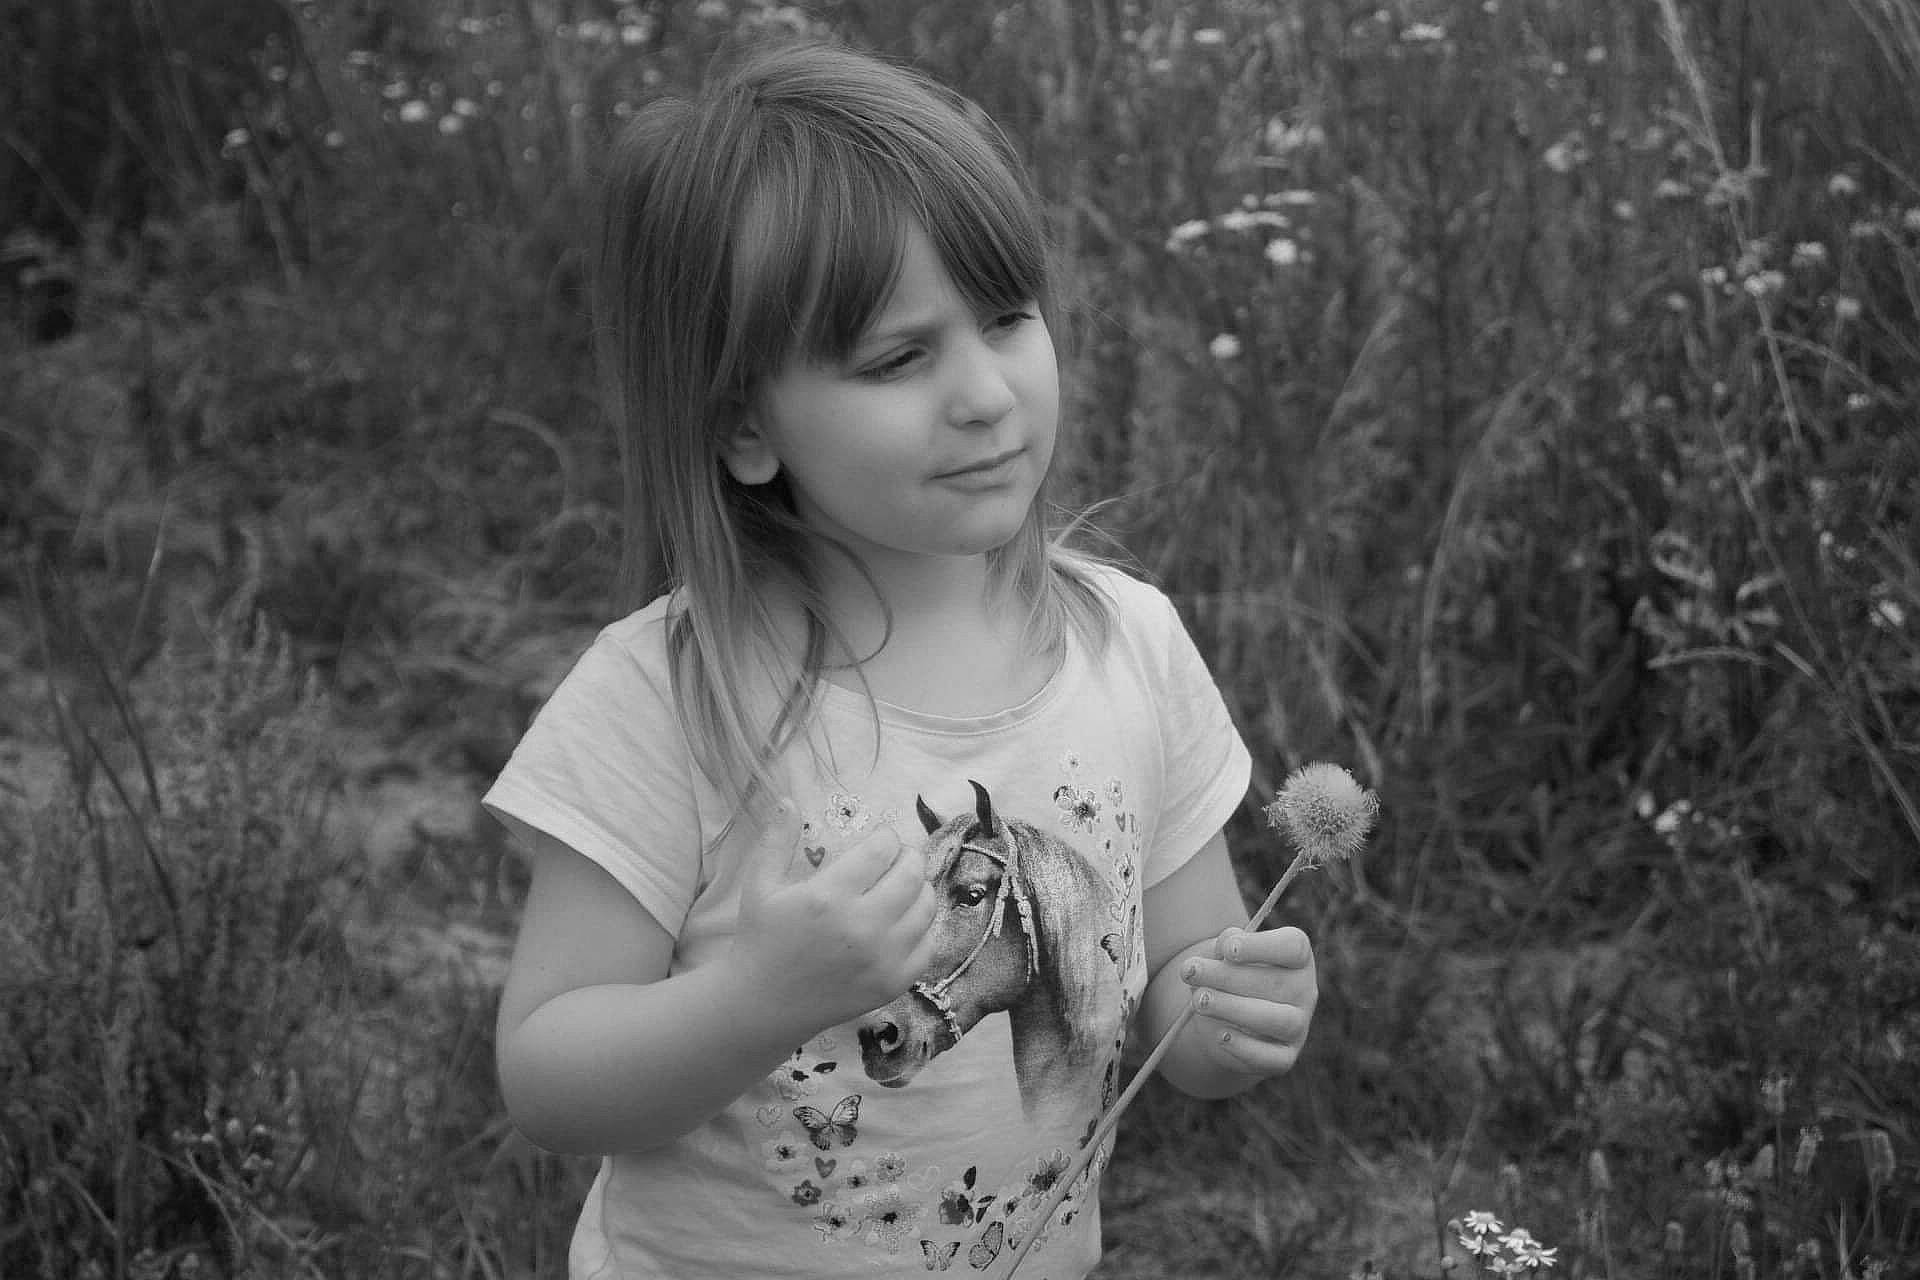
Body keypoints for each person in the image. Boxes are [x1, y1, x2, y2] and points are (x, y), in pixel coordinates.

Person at [485, 38, 1319, 1280]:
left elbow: (1172, 1009)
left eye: (1004, 317)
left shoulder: (1130, 646)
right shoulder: (671, 693)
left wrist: (1234, 1012)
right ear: (744, 427)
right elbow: (547, 1075)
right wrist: (758, 997)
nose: (985, 393)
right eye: (897, 358)